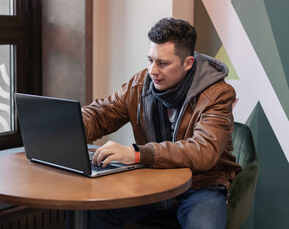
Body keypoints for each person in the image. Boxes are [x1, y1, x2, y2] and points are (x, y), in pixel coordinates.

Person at [81, 17, 242, 229]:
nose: (153, 71)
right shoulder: (139, 84)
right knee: (96, 212)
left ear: (188, 63)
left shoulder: (218, 94)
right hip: (153, 182)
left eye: (163, 63)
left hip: (202, 185)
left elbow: (204, 150)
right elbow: (100, 114)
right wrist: (70, 126)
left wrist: (138, 153)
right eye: (150, 60)